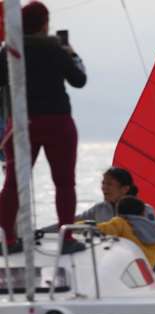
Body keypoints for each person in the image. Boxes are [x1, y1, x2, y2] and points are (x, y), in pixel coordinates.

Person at [0, 1, 86, 254]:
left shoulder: (10, 51)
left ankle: (8, 240)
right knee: (64, 183)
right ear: (45, 23)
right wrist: (71, 53)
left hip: (23, 123)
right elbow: (79, 80)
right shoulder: (55, 49)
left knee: (13, 184)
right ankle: (66, 238)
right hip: (58, 122)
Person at [96, 196, 155, 269]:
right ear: (143, 213)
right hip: (143, 273)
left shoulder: (120, 223)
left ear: (118, 213)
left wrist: (85, 223)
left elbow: (100, 229)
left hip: (122, 269)